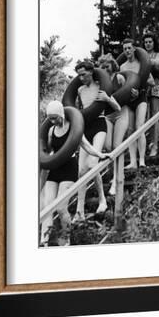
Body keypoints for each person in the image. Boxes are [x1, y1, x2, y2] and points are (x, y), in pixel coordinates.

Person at [39, 100, 110, 246]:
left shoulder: (73, 127)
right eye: (50, 119)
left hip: (69, 169)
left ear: (61, 114)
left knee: (60, 207)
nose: (53, 121)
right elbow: (49, 151)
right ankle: (43, 242)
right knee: (47, 207)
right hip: (55, 169)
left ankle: (67, 239)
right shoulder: (52, 131)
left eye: (55, 118)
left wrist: (100, 155)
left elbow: (86, 145)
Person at [73, 60, 115, 222]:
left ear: (91, 72)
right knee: (80, 171)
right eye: (79, 75)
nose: (81, 78)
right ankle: (79, 211)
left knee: (92, 163)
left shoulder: (101, 85)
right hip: (85, 128)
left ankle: (103, 200)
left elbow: (117, 108)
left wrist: (108, 99)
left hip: (99, 125)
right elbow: (80, 110)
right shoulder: (79, 89)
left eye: (83, 74)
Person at [97, 53, 130, 195]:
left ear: (112, 65)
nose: (105, 68)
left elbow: (127, 93)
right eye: (102, 66)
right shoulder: (100, 82)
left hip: (121, 113)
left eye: (107, 65)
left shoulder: (119, 78)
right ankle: (114, 174)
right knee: (108, 147)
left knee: (117, 146)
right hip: (108, 115)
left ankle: (117, 180)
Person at [120, 39, 152, 168]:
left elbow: (152, 81)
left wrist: (140, 85)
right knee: (129, 130)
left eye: (129, 48)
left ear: (134, 49)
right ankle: (133, 161)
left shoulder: (142, 64)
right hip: (128, 100)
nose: (127, 50)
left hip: (141, 97)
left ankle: (142, 160)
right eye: (125, 49)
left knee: (140, 127)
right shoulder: (122, 67)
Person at [143, 33, 159, 157]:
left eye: (150, 41)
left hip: (155, 84)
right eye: (146, 42)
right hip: (144, 87)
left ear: (154, 42)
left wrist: (152, 66)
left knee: (155, 115)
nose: (148, 44)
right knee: (146, 116)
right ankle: (150, 142)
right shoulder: (142, 55)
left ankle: (155, 145)